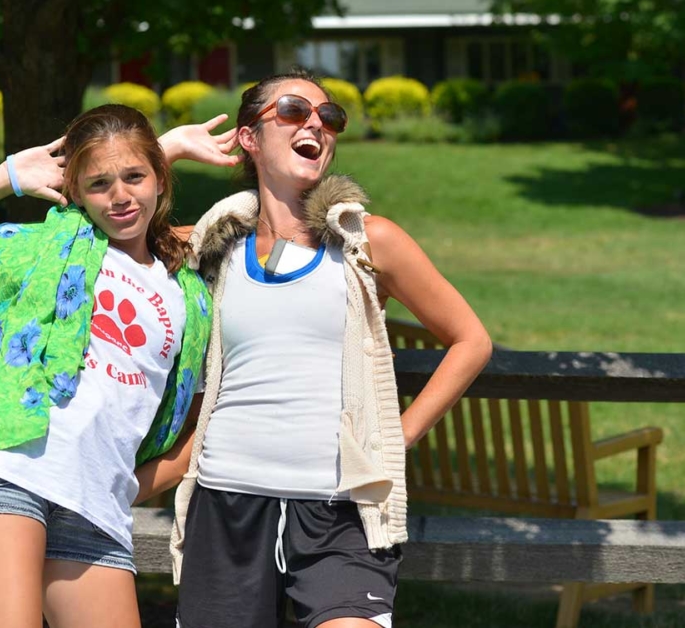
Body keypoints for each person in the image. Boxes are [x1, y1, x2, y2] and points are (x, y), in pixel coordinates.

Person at [146, 70, 493, 628]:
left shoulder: (366, 241)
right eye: (292, 110)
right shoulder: (211, 242)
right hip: (226, 503)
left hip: (340, 513)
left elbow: (470, 341)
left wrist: (396, 436)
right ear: (248, 139)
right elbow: (96, 223)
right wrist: (167, 151)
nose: (316, 124)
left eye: (329, 117)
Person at [0, 104, 237, 628]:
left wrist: (165, 148)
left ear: (160, 177)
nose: (119, 196)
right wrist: (7, 177)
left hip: (97, 502)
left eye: (135, 176)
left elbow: (190, 423)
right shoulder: (46, 247)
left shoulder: (191, 293)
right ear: (75, 194)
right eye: (98, 184)